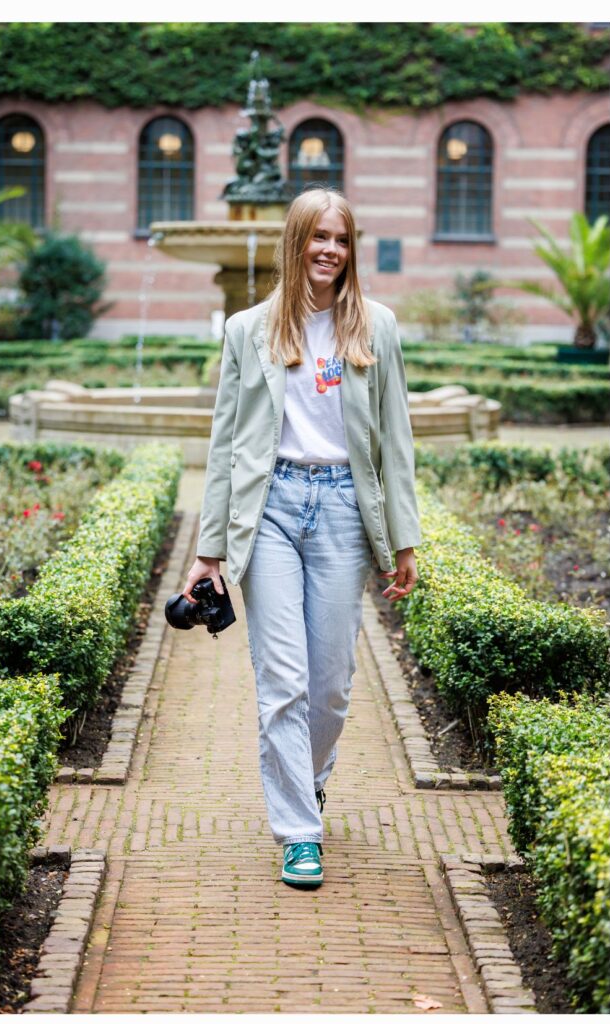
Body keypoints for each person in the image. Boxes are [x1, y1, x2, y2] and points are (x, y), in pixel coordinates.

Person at [182, 186, 420, 889]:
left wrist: (404, 540)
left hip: (344, 507)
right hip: (272, 510)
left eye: (341, 239)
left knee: (331, 687)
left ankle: (307, 779)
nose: (330, 250)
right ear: (296, 242)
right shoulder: (248, 330)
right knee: (282, 681)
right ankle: (298, 832)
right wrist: (208, 550)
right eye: (318, 237)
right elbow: (225, 443)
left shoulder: (376, 326)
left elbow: (397, 439)